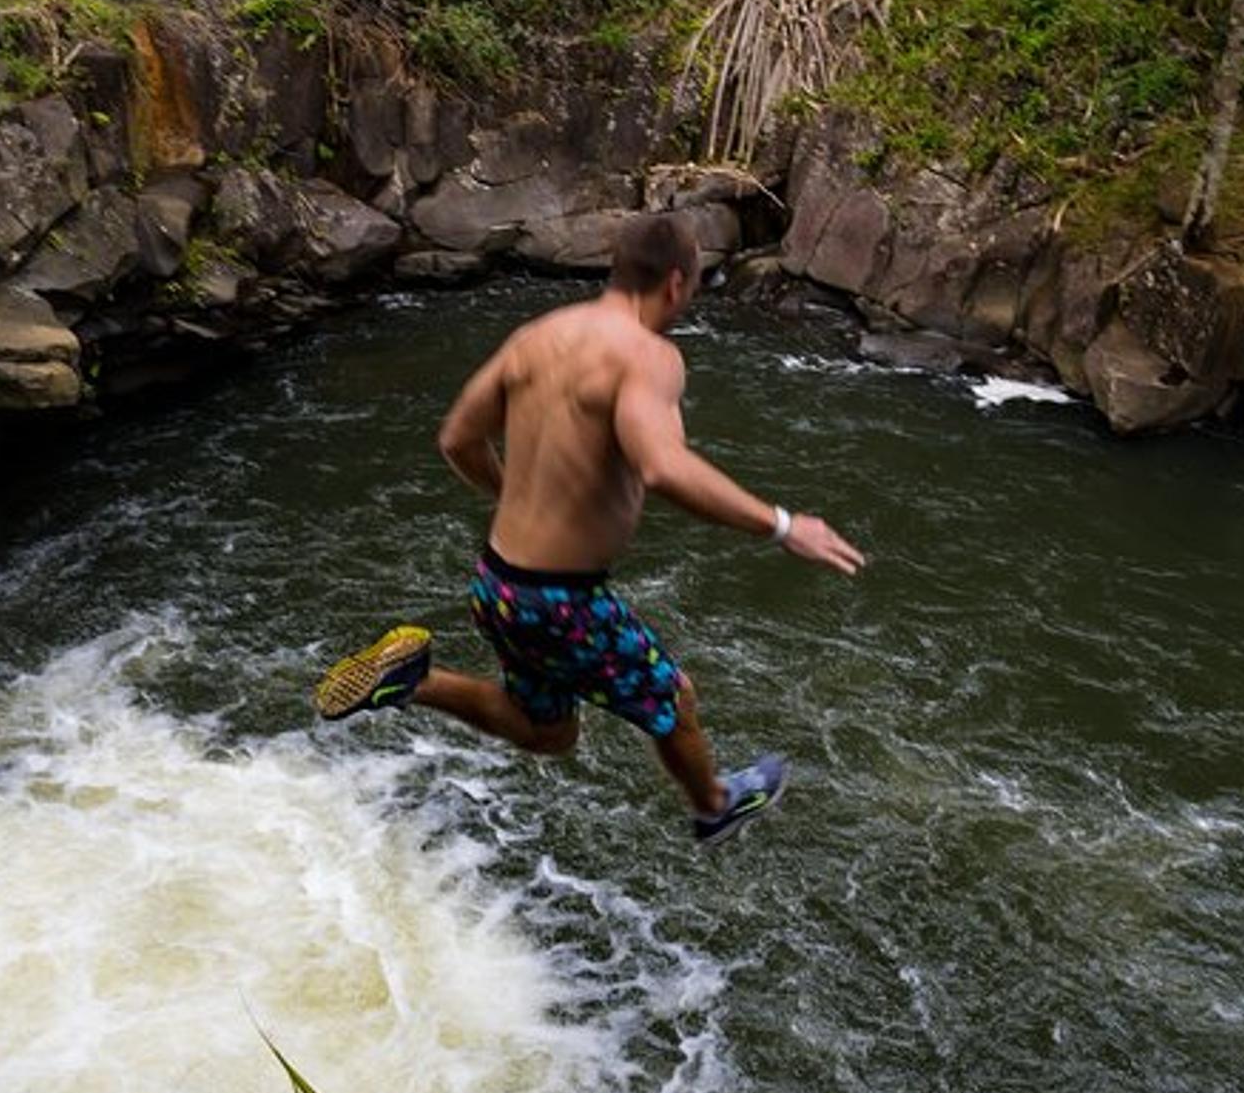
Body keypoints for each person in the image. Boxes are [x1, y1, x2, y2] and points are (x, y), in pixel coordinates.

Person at [314, 212, 866, 844]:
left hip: (498, 585)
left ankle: (412, 681)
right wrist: (783, 525)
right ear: (677, 283)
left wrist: (513, 493)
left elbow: (457, 439)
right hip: (561, 600)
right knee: (674, 699)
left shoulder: (537, 336)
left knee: (547, 730)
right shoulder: (649, 357)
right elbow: (662, 467)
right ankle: (715, 806)